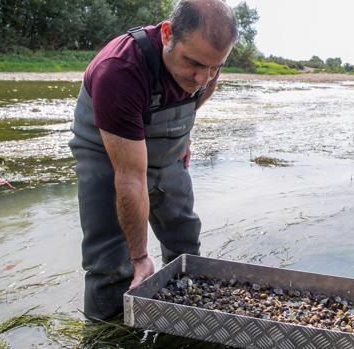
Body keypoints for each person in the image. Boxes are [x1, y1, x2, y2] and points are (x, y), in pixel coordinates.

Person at [69, 0, 237, 320]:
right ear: (166, 33)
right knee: (112, 263)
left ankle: (184, 318)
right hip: (107, 154)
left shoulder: (208, 61)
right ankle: (107, 332)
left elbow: (202, 90)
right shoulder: (119, 69)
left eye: (215, 67)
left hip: (165, 149)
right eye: (194, 64)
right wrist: (140, 256)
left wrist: (183, 133)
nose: (204, 77)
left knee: (185, 239)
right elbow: (130, 176)